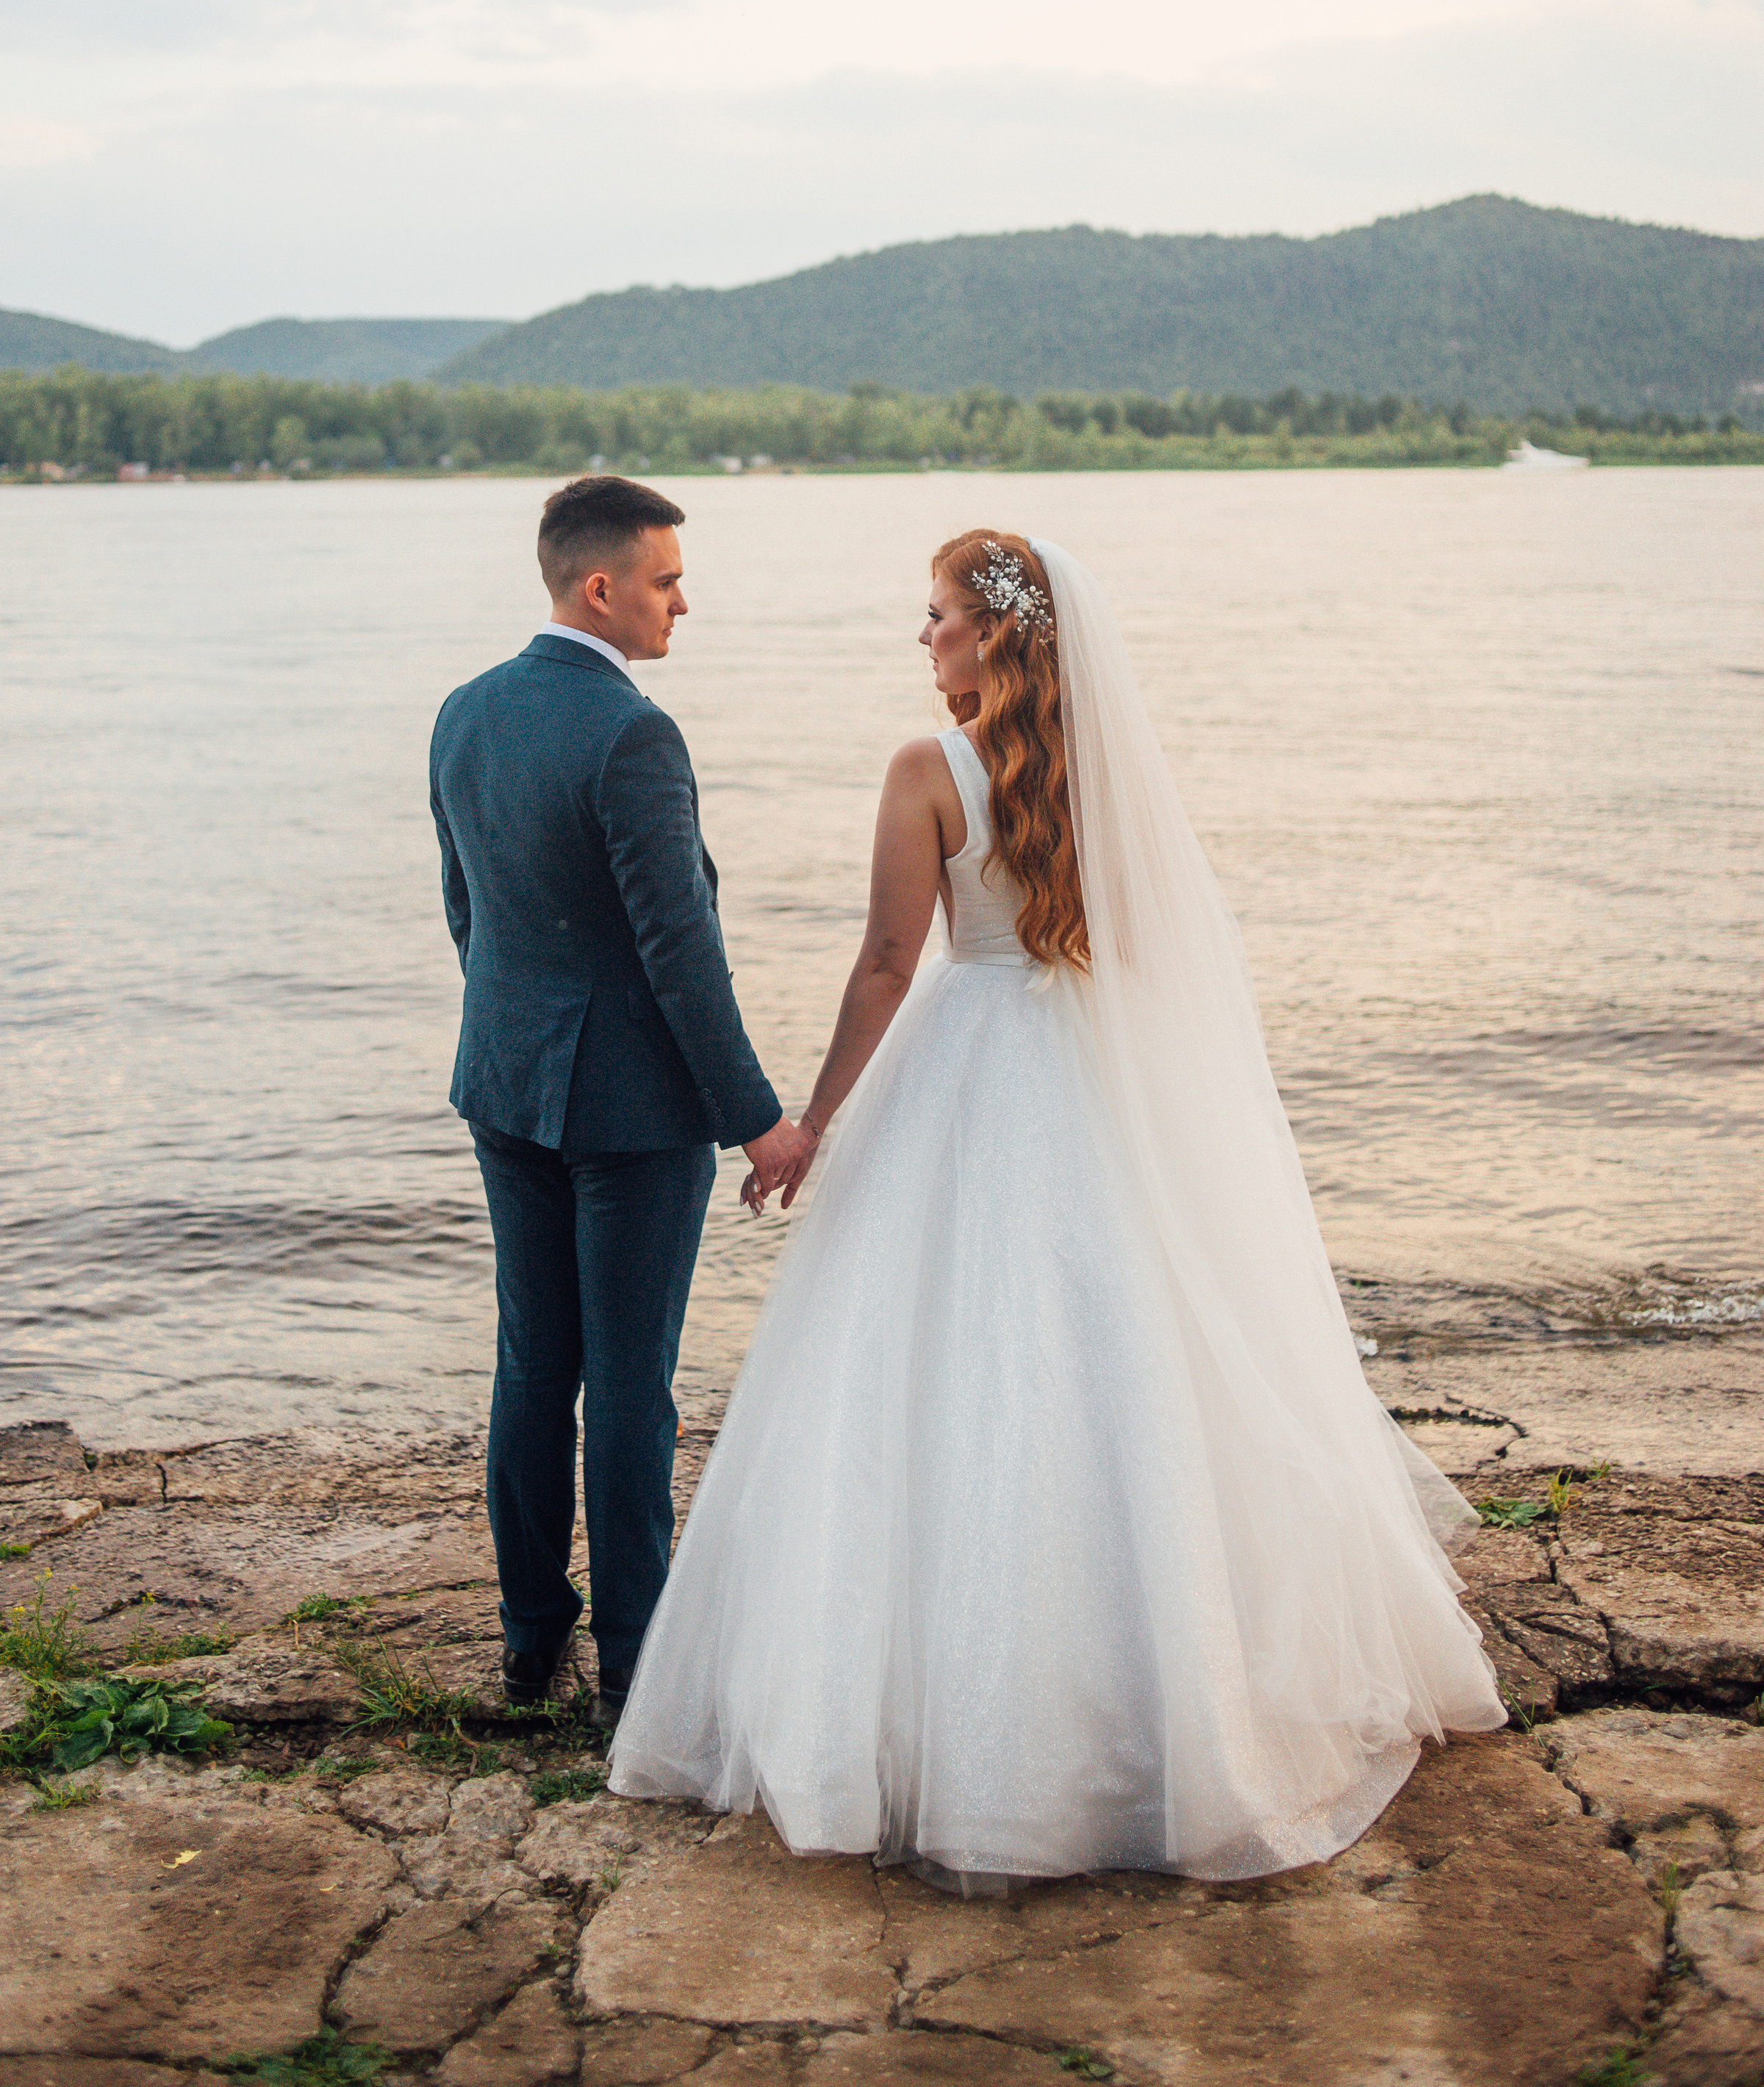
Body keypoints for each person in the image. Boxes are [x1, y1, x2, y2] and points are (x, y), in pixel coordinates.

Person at [609, 530, 1505, 1883]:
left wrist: (814, 1123)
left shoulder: (929, 771)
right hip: (1087, 1072)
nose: (923, 640)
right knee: (1119, 1365)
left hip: (960, 1062)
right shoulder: (1108, 770)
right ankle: (1160, 1693)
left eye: (936, 618)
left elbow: (885, 962)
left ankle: (977, 1729)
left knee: (939, 1373)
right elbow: (1146, 950)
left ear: (994, 634)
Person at [430, 475, 806, 1731]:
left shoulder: (463, 713)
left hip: (505, 1084)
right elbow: (679, 950)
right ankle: (638, 1669)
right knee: (632, 1386)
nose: (681, 603)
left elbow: (469, 917)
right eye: (666, 580)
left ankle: (531, 1645)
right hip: (634, 1115)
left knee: (534, 1365)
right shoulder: (634, 735)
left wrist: (517, 1038)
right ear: (602, 587)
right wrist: (755, 1114)